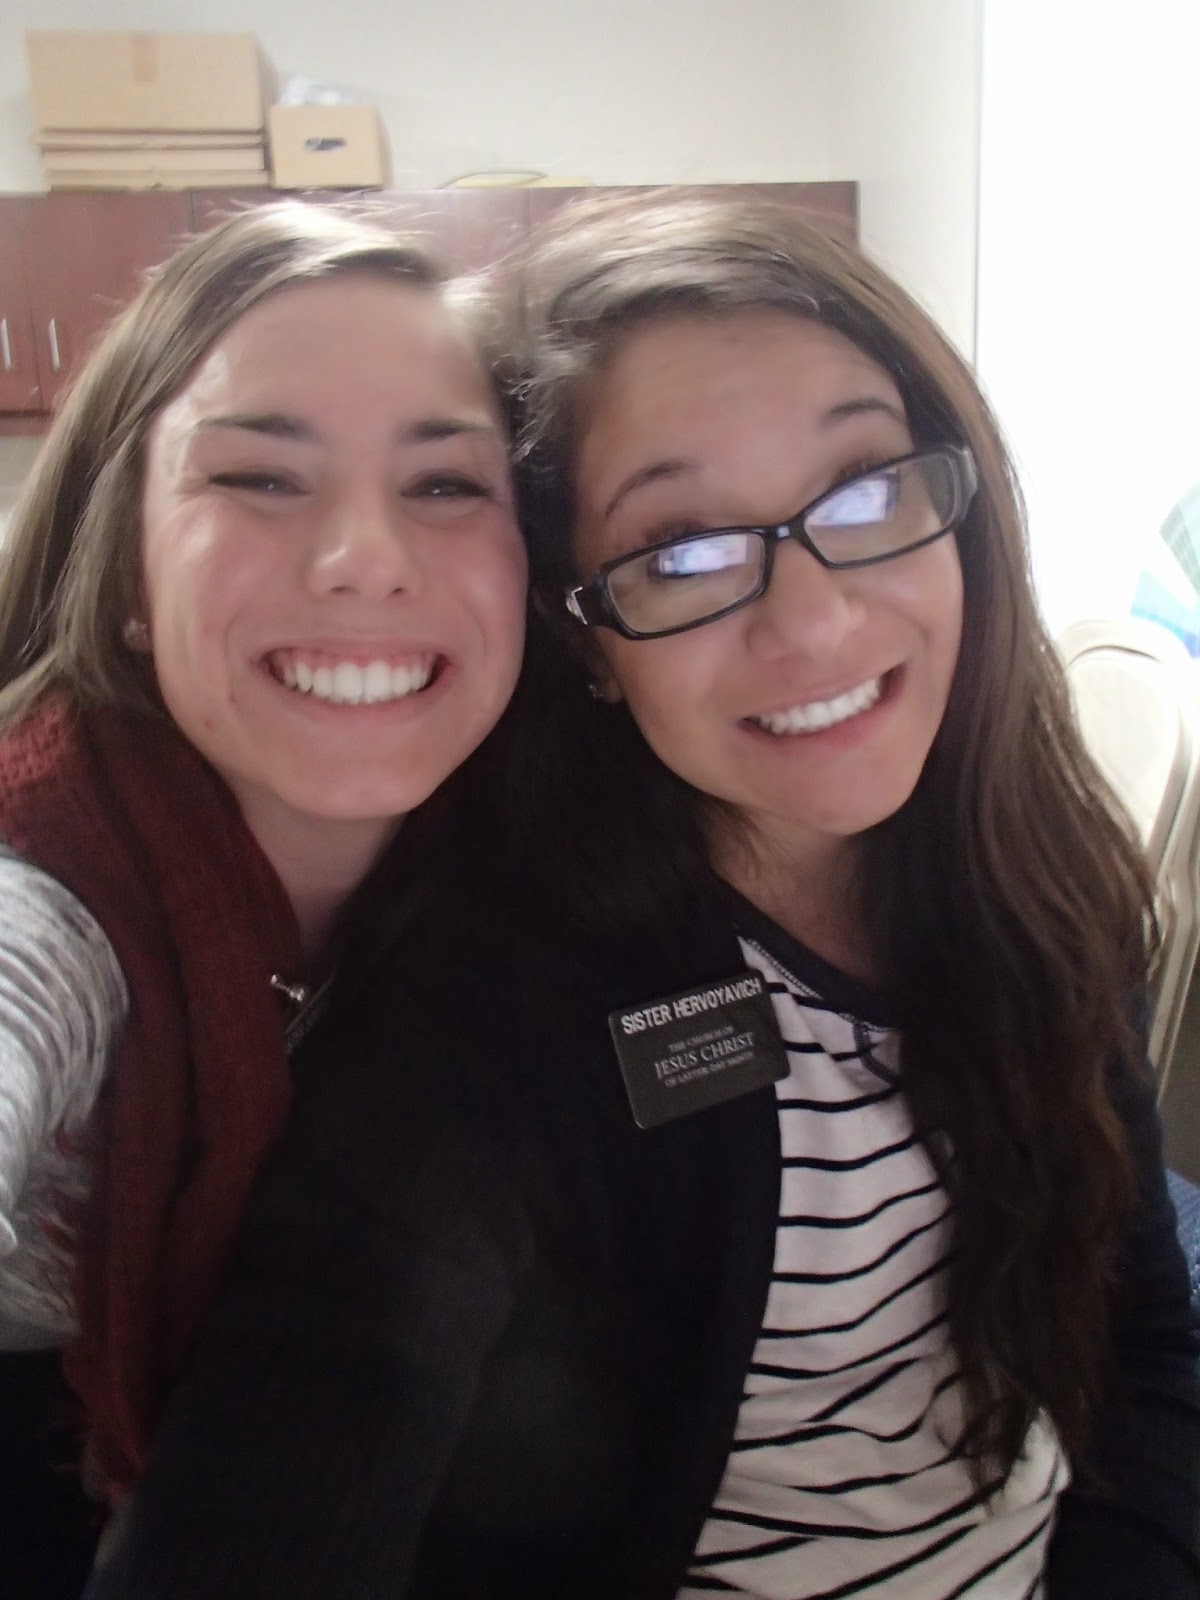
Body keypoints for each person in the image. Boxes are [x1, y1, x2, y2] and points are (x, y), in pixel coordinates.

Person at [84, 193, 1200, 1600]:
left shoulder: (1024, 865)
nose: (815, 620)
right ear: (589, 642)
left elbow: (1144, 1343)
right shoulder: (493, 1018)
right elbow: (298, 1439)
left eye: (865, 490)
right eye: (680, 551)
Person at [0, 201, 526, 1595]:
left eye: (445, 485)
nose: (366, 556)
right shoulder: (47, 901)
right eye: (261, 477)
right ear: (124, 569)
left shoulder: (538, 874)